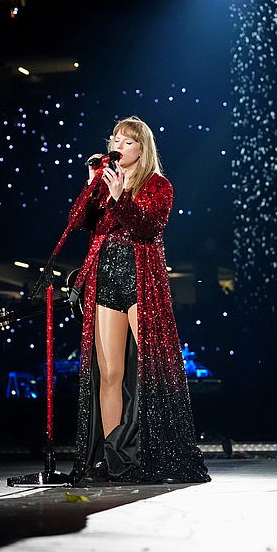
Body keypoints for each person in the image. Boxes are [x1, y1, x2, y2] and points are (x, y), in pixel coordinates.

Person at [66, 115, 211, 485]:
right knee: (110, 372)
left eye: (126, 141)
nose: (117, 144)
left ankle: (152, 450)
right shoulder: (103, 181)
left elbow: (148, 227)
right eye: (114, 138)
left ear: (141, 149)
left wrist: (119, 198)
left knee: (149, 368)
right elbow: (78, 221)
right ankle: (111, 457)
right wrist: (92, 186)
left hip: (140, 278)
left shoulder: (158, 186)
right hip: (106, 278)